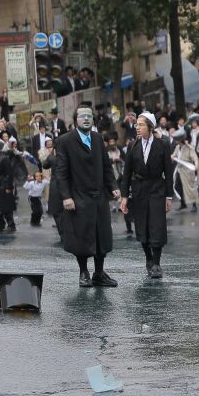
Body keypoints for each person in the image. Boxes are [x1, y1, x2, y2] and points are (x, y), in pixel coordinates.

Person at [50, 105, 120, 287]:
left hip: (99, 197)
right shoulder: (65, 141)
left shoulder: (97, 139)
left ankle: (99, 273)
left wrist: (113, 186)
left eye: (89, 116)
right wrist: (66, 196)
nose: (86, 119)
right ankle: (83, 272)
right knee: (81, 237)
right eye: (82, 116)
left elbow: (106, 166)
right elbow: (61, 172)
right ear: (75, 120)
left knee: (102, 236)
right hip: (78, 197)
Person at [119, 113, 174, 278]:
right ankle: (148, 258)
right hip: (139, 190)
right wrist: (124, 197)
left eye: (141, 124)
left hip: (157, 188)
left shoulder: (162, 145)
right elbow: (126, 173)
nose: (137, 127)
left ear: (150, 127)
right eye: (137, 124)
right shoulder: (132, 145)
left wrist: (169, 197)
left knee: (156, 226)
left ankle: (156, 263)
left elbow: (169, 173)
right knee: (142, 226)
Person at [0, 139, 27, 232]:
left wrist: (8, 187)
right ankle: (1, 223)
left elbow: (9, 174)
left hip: (3, 185)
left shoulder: (4, 158)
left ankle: (11, 224)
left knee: (6, 207)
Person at [171, 129, 199, 211]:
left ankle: (194, 205)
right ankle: (183, 203)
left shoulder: (189, 148)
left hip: (188, 171)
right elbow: (174, 155)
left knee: (190, 188)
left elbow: (195, 158)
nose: (176, 141)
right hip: (179, 170)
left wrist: (196, 165)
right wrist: (172, 157)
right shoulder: (177, 147)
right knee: (177, 186)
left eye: (177, 140)